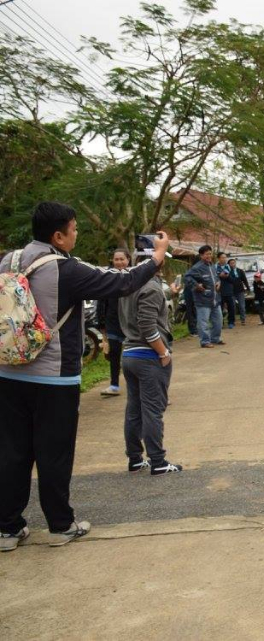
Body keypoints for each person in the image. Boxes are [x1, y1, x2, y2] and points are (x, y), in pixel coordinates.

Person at [0, 202, 168, 551]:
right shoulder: (66, 269)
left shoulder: (7, 261)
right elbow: (122, 282)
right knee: (54, 453)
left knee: (12, 451)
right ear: (58, 236)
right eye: (74, 229)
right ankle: (61, 525)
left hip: (8, 372)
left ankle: (8, 529)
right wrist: (156, 257)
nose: (76, 234)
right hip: (54, 377)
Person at [118, 252, 182, 477]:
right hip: (148, 355)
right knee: (152, 410)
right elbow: (147, 325)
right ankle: (158, 461)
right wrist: (163, 352)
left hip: (129, 353)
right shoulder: (151, 287)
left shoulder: (128, 285)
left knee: (134, 409)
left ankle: (135, 459)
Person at [97, 248, 131, 397]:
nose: (119, 262)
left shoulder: (133, 276)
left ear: (128, 260)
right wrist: (101, 323)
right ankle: (114, 385)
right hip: (112, 321)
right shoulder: (107, 277)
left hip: (130, 322)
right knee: (114, 354)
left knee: (131, 355)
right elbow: (101, 301)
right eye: (116, 259)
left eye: (122, 259)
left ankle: (135, 385)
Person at [184, 246, 224, 348]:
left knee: (218, 321)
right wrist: (196, 285)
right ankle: (205, 341)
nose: (209, 256)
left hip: (215, 299)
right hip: (202, 300)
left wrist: (218, 282)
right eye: (207, 254)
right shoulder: (197, 267)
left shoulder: (212, 265)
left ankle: (215, 338)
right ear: (201, 255)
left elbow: (216, 278)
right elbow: (187, 277)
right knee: (203, 322)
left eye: (210, 253)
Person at [216, 252, 236, 328]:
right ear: (218, 258)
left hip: (229, 290)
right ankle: (221, 323)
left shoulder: (229, 267)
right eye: (222, 257)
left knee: (231, 307)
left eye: (225, 257)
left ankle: (231, 322)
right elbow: (214, 278)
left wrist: (227, 276)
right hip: (219, 291)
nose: (224, 259)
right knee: (219, 308)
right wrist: (219, 276)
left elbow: (233, 280)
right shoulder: (215, 267)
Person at [227, 258, 249, 326]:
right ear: (229, 264)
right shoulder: (227, 272)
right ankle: (232, 320)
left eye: (234, 263)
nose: (233, 264)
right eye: (231, 263)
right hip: (231, 291)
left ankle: (243, 319)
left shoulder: (240, 271)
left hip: (240, 290)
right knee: (232, 306)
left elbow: (244, 280)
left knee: (242, 306)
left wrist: (247, 288)